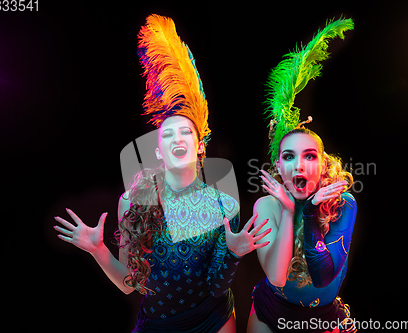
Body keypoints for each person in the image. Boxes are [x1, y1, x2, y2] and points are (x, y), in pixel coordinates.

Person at [54, 14, 270, 333]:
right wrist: (98, 248)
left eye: (185, 133)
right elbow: (130, 283)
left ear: (199, 147)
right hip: (157, 324)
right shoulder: (133, 202)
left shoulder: (225, 206)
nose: (176, 139)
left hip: (214, 321)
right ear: (158, 152)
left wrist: (234, 254)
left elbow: (215, 285)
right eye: (167, 135)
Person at [247, 18, 357, 333]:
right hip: (271, 315)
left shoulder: (343, 204)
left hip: (324, 320)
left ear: (323, 165)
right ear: (278, 167)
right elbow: (278, 277)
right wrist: (286, 209)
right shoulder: (266, 207)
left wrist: (309, 213)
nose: (299, 165)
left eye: (309, 156)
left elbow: (323, 275)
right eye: (289, 156)